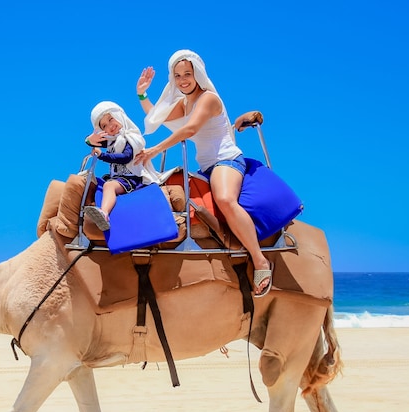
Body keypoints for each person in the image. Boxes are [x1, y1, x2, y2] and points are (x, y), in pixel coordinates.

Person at [134, 49, 273, 297]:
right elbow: (158, 118)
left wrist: (155, 149)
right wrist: (142, 93)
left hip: (226, 161)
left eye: (187, 73)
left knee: (224, 199)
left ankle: (260, 260)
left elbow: (190, 129)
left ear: (198, 73)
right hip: (206, 167)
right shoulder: (185, 102)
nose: (183, 79)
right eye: (177, 75)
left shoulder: (208, 98)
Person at [83, 101, 159, 232]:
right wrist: (89, 139)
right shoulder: (113, 140)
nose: (110, 126)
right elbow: (92, 142)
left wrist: (102, 156)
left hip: (131, 178)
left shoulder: (131, 138)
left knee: (109, 185)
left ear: (119, 116)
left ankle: (104, 213)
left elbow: (125, 158)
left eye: (111, 119)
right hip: (119, 177)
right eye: (104, 126)